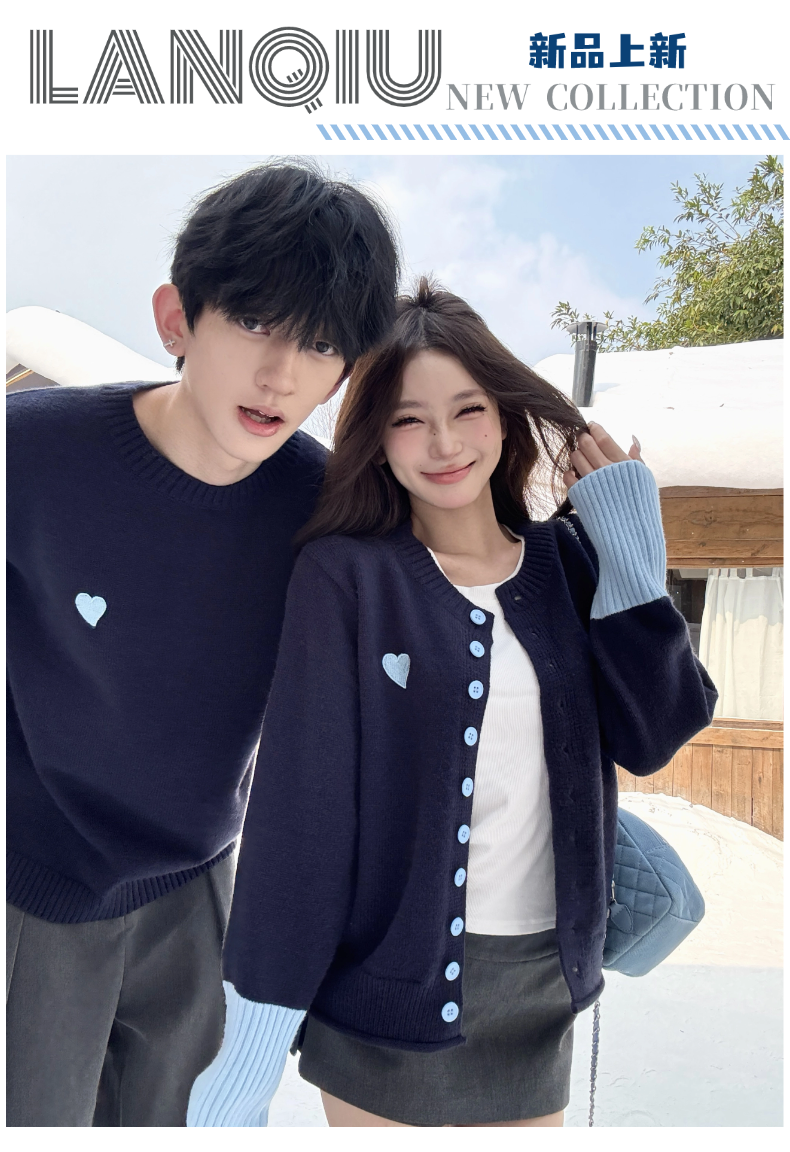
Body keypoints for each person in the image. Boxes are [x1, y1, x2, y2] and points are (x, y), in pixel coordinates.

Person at [187, 278, 717, 1128]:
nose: (443, 443)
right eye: (408, 419)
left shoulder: (567, 567)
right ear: (377, 439)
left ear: (502, 416)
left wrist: (629, 551)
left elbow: (654, 733)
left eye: (468, 409)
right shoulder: (347, 579)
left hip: (540, 995)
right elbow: (302, 821)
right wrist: (246, 1051)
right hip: (383, 1002)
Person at [6, 160, 399, 1127]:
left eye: (320, 344)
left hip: (200, 895)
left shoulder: (331, 517)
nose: (281, 375)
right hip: (29, 885)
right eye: (255, 322)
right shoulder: (29, 451)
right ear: (177, 318)